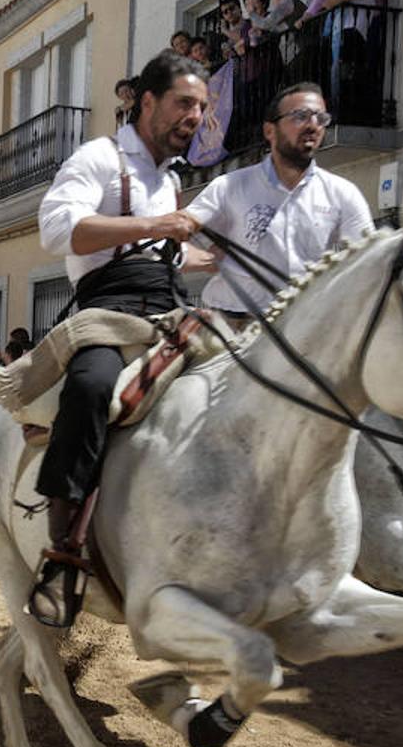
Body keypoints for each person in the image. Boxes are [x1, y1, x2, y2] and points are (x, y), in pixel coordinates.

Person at [29, 51, 212, 628]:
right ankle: (61, 555)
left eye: (203, 108)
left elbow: (170, 253)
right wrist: (158, 225)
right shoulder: (100, 157)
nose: (196, 117)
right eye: (185, 104)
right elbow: (58, 230)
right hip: (108, 309)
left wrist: (210, 257)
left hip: (168, 308)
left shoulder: (170, 179)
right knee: (90, 386)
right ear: (146, 102)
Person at [185, 82, 373, 326]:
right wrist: (210, 260)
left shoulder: (342, 194)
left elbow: (365, 263)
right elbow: (177, 241)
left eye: (321, 118)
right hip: (231, 329)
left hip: (303, 329)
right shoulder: (229, 187)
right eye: (300, 116)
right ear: (269, 131)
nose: (312, 125)